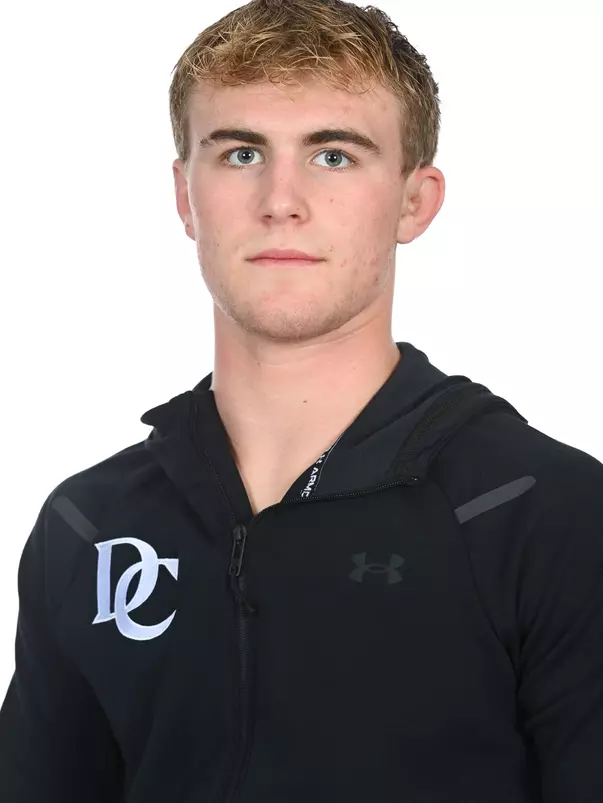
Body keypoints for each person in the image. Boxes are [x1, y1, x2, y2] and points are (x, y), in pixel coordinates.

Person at [1, 0, 602, 801]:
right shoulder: (90, 527)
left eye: (333, 156)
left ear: (413, 202)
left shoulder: (543, 514)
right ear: (185, 196)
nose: (280, 199)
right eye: (241, 152)